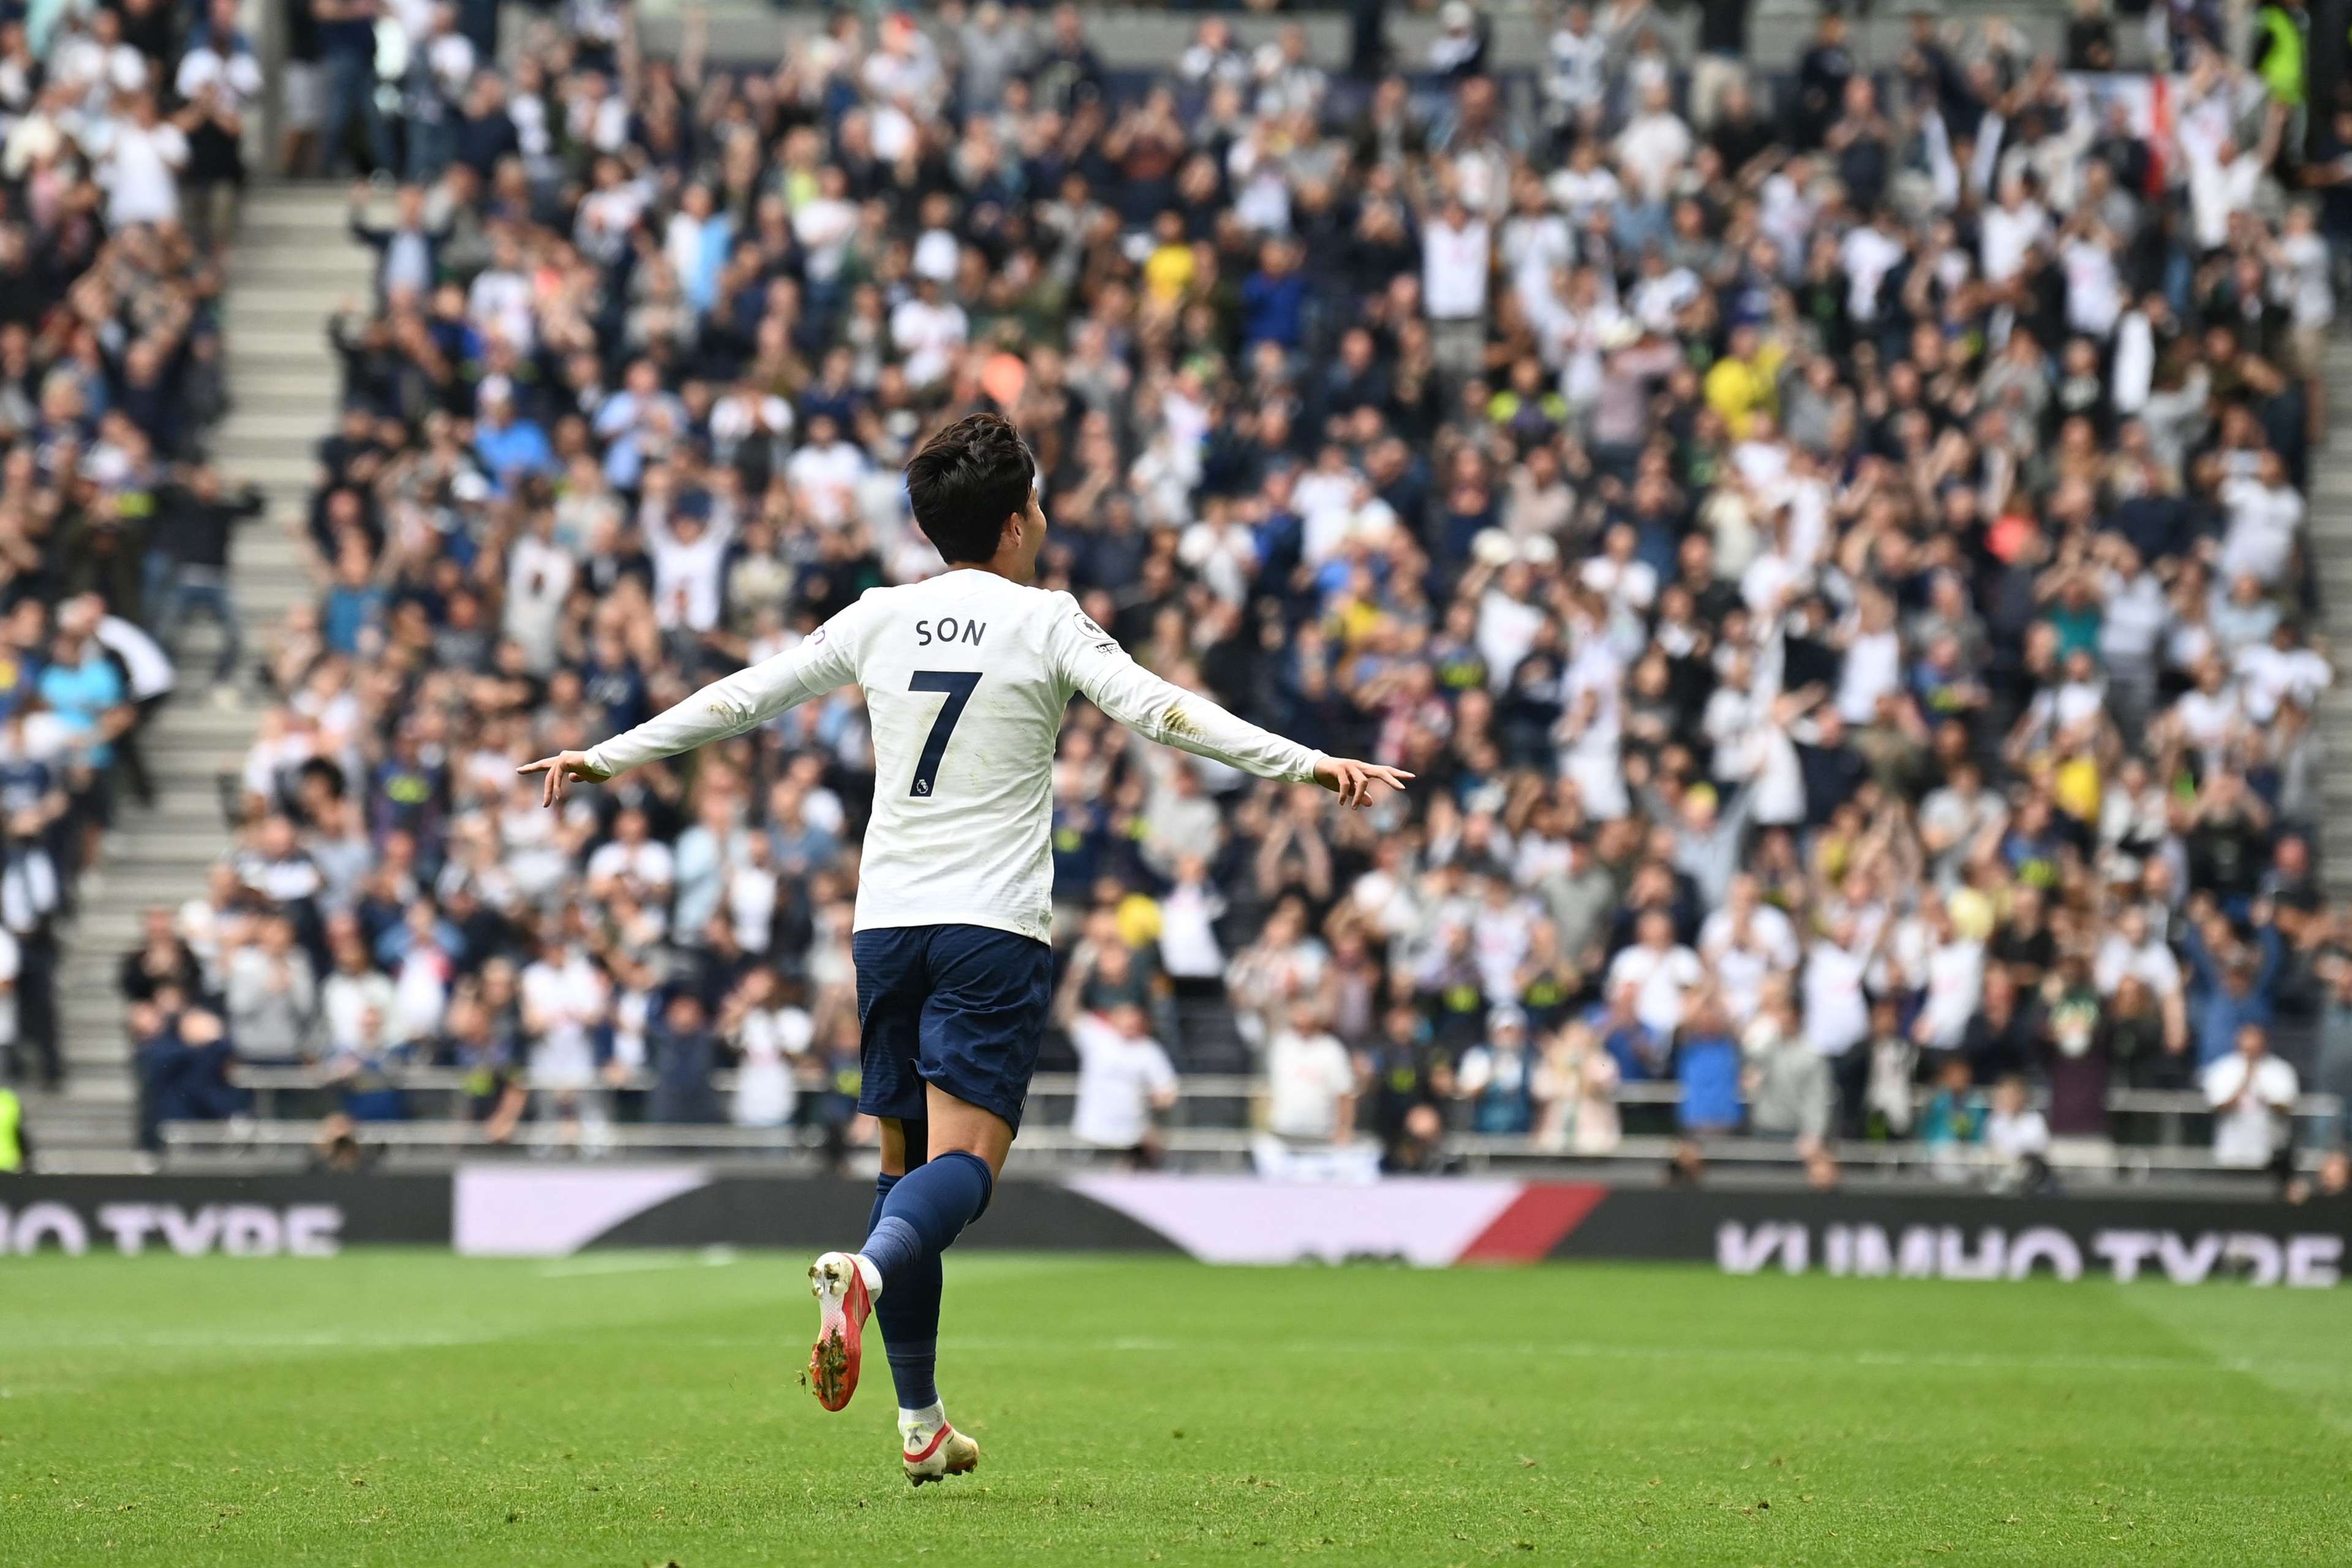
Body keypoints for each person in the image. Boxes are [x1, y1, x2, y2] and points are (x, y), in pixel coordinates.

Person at [519, 413, 1408, 1484]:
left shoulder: (880, 615)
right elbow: (1167, 715)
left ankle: (921, 1422)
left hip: (887, 925)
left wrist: (608, 756)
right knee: (964, 1173)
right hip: (990, 929)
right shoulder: (1050, 622)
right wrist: (1311, 764)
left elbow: (746, 696)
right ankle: (865, 1278)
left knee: (903, 1174)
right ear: (1020, 520)